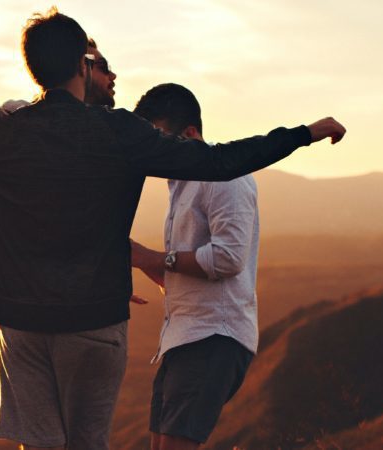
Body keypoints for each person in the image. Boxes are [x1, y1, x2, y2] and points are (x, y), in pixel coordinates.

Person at [0, 8, 346, 449]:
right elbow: (221, 161)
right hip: (94, 319)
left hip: (21, 321)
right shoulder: (121, 132)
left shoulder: (1, 128)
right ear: (82, 66)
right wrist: (303, 134)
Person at [0, 37, 135, 350]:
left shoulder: (97, 136)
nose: (113, 76)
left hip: (67, 316)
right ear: (81, 68)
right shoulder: (21, 122)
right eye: (104, 67)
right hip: (30, 319)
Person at [129, 83, 259, 450]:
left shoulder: (225, 177)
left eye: (159, 139)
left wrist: (152, 258)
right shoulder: (181, 185)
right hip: (183, 337)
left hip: (213, 337)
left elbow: (228, 258)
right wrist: (143, 262)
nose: (153, 152)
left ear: (189, 134)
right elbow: (188, 274)